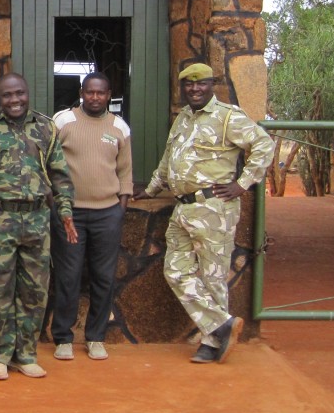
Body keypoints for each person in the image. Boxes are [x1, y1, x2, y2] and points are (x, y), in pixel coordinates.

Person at [134, 63, 274, 364]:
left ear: (212, 84)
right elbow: (168, 158)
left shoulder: (227, 117)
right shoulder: (183, 117)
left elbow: (264, 145)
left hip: (213, 208)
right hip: (183, 208)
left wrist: (242, 183)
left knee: (213, 277)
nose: (194, 89)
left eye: (201, 84)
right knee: (175, 270)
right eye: (188, 84)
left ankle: (213, 343)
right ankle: (220, 325)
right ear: (183, 88)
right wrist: (153, 188)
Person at [0, 73, 78, 381]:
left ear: (28, 93)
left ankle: (25, 354)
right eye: (8, 95)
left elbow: (60, 175)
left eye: (19, 94)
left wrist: (65, 212)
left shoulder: (45, 128)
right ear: (0, 97)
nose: (14, 100)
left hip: (37, 220)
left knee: (34, 292)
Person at [50, 71, 133, 361]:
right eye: (89, 92)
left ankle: (96, 337)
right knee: (67, 276)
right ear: (81, 92)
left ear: (109, 95)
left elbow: (125, 171)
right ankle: (63, 337)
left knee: (103, 277)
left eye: (100, 92)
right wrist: (56, 203)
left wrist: (119, 207)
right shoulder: (63, 121)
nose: (95, 97)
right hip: (69, 214)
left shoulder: (119, 127)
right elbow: (48, 163)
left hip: (107, 215)